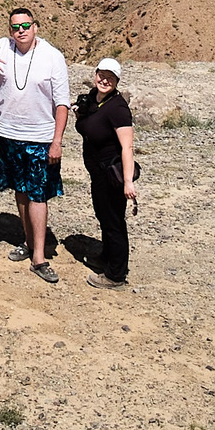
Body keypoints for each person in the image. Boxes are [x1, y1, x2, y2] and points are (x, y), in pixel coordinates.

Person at [0, 6, 71, 284]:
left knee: (38, 194)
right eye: (16, 27)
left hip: (41, 136)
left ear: (36, 27)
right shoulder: (2, 47)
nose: (21, 31)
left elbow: (62, 103)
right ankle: (28, 241)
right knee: (20, 190)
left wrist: (57, 141)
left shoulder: (53, 57)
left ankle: (39, 257)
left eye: (26, 26)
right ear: (9, 30)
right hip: (8, 134)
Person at [76, 57, 139, 289]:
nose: (104, 80)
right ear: (95, 74)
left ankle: (115, 275)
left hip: (112, 173)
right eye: (102, 75)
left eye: (110, 77)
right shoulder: (93, 98)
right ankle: (107, 257)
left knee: (114, 222)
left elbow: (127, 147)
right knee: (104, 216)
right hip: (97, 172)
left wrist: (128, 181)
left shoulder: (118, 108)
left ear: (117, 81)